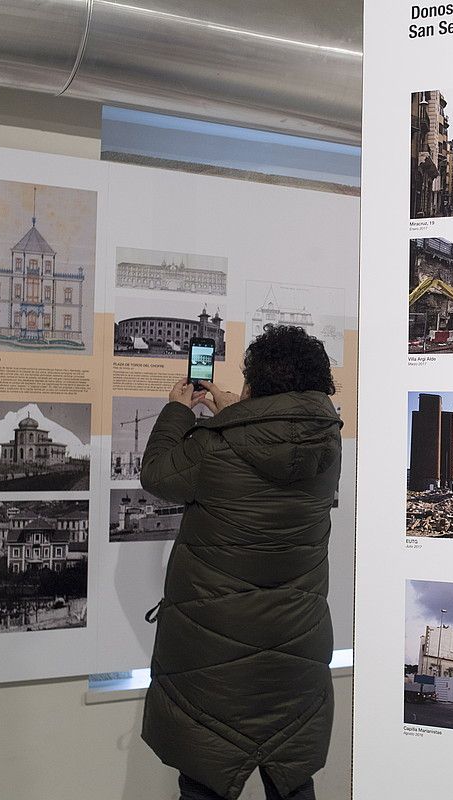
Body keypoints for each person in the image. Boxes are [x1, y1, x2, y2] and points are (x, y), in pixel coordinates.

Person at [140, 325, 342, 800]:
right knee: (291, 780)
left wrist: (176, 409)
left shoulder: (215, 446)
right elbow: (280, 436)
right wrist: (246, 410)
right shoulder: (327, 446)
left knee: (206, 779)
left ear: (253, 383)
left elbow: (157, 475)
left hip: (213, 661)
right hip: (297, 650)